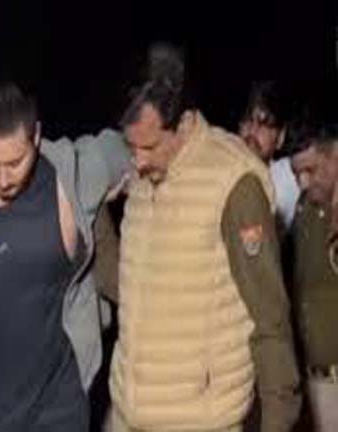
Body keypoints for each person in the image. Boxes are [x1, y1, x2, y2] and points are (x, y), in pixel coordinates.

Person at [108, 43, 300, 432]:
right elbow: (132, 289)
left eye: (149, 147)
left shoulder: (234, 182)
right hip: (129, 417)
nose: (138, 161)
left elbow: (270, 318)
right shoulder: (141, 178)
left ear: (183, 123)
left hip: (200, 420)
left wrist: (278, 419)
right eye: (131, 146)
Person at [0, 82, 130, 432]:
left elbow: (125, 146)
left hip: (57, 408)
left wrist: (126, 181)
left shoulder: (70, 175)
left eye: (15, 163)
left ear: (36, 137)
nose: (2, 178)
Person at [291, 124, 338, 431]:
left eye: (311, 170)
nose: (303, 183)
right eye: (297, 173)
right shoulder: (304, 208)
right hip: (317, 382)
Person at [238, 81, 299, 232]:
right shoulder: (219, 170)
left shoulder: (289, 178)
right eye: (248, 120)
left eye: (264, 123)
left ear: (280, 137)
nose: (253, 130)